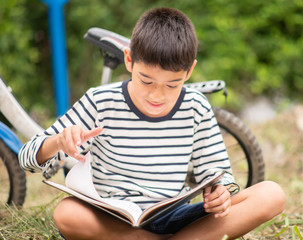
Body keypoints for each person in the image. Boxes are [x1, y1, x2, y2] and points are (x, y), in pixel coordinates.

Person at [19, 7, 285, 240]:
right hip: (111, 218)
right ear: (129, 60)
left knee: (271, 194)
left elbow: (217, 172)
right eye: (146, 81)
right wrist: (58, 141)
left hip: (174, 215)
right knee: (67, 213)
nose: (157, 96)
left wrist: (221, 192)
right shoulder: (100, 101)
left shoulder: (196, 106)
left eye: (172, 85)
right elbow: (26, 157)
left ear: (189, 71)